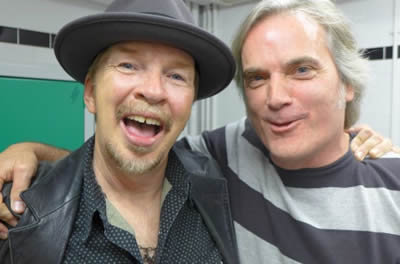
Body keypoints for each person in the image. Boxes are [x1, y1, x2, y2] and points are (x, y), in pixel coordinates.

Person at [0, 0, 399, 263]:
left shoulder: (210, 176)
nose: (276, 98)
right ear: (89, 91)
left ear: (349, 83)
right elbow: (113, 159)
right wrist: (27, 152)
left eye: (302, 69)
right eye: (257, 78)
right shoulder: (18, 217)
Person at [0, 0, 240, 263]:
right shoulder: (19, 210)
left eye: (176, 76)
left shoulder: (214, 188)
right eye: (128, 65)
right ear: (90, 92)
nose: (153, 91)